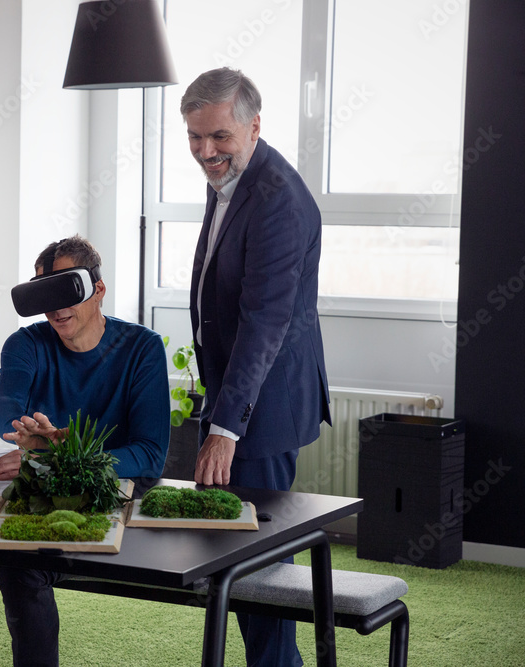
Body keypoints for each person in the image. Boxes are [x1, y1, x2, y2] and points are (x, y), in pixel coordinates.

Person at [182, 68, 331, 666]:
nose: (205, 151)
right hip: (236, 397)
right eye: (194, 137)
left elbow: (265, 322)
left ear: (254, 126)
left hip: (261, 410)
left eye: (218, 136)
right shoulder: (232, 175)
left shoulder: (277, 199)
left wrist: (225, 428)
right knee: (237, 563)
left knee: (259, 569)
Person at [0, 235, 170, 667]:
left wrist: (60, 453)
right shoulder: (26, 344)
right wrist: (30, 436)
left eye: (66, 291)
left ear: (98, 289)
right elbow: (5, 413)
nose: (56, 308)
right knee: (13, 563)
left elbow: (150, 455)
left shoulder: (142, 347)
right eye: (45, 295)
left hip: (118, 496)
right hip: (46, 497)